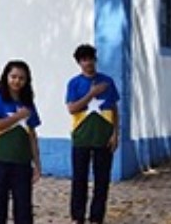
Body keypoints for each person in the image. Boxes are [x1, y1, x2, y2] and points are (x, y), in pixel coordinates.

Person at [65, 44, 120, 224]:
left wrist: (115, 134)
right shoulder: (74, 83)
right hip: (81, 137)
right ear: (79, 63)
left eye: (90, 59)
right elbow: (72, 108)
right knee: (79, 180)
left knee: (102, 181)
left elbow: (114, 109)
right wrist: (91, 94)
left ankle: (97, 217)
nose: (88, 63)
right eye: (84, 60)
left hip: (103, 138)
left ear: (95, 59)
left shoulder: (108, 82)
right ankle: (77, 216)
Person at [0, 60, 41, 224]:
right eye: (13, 76)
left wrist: (37, 163)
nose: (17, 81)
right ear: (6, 77)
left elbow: (32, 135)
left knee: (24, 211)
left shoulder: (28, 104)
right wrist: (18, 117)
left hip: (21, 163)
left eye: (21, 78)